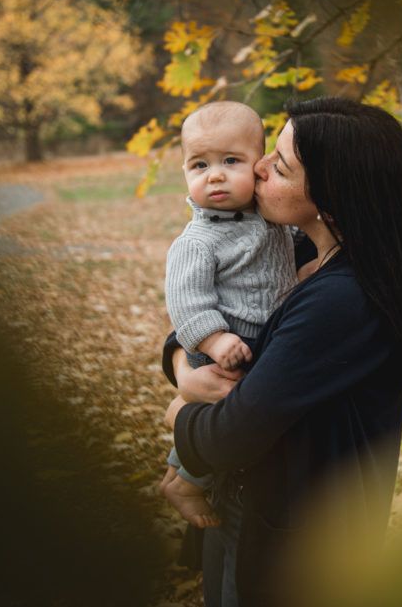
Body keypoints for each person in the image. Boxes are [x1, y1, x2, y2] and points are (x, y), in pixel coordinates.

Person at [163, 97, 402, 606]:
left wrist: (180, 415)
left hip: (289, 549)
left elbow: (232, 435)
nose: (259, 167)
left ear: (331, 199)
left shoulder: (342, 299)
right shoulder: (303, 252)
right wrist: (183, 364)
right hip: (263, 516)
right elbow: (218, 306)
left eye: (282, 165)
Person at [160, 101, 298, 529]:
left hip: (258, 340)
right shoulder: (197, 241)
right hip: (224, 344)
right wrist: (213, 341)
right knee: (221, 416)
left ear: (260, 166)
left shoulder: (270, 218)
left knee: (228, 419)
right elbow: (186, 302)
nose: (214, 175)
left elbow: (289, 253)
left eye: (231, 161)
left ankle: (184, 474)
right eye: (198, 165)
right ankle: (186, 480)